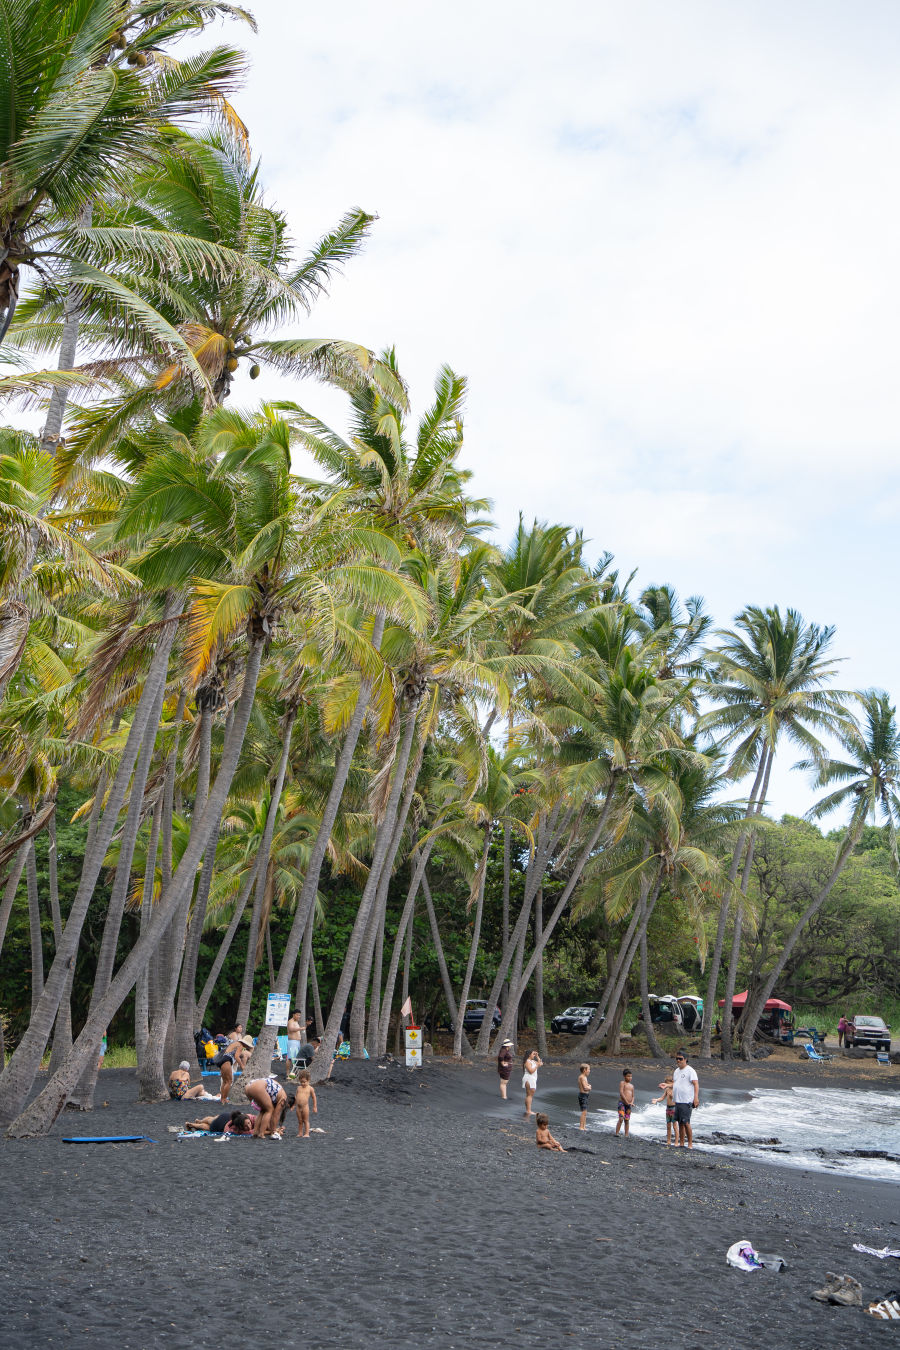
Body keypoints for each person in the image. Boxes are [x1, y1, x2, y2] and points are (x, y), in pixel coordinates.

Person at [672, 1049, 699, 1148]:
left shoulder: (690, 1070)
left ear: (685, 1059)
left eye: (680, 1059)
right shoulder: (676, 1071)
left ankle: (690, 1144)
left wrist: (695, 1098)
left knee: (686, 1122)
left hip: (686, 1100)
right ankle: (682, 1143)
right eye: (677, 1059)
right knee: (680, 1123)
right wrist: (666, 1085)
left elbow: (696, 1084)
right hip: (677, 1100)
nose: (678, 1061)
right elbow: (676, 1083)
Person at [216, 1034, 253, 1104]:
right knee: (229, 1081)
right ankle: (224, 1099)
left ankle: (222, 1098)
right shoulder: (240, 1045)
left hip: (222, 1060)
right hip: (227, 1061)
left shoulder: (235, 1043)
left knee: (224, 1081)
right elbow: (236, 1056)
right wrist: (242, 1065)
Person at [652, 1071, 676, 1146]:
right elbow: (662, 1097)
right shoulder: (667, 1089)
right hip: (668, 1108)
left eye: (667, 1083)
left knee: (675, 1126)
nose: (666, 1085)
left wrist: (672, 1097)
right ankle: (668, 1141)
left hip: (674, 1108)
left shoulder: (675, 1089)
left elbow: (677, 1099)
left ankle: (676, 1142)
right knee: (668, 1125)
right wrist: (656, 1100)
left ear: (672, 1082)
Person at [292, 1070, 318, 1138]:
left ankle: (307, 1133)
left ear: (308, 1080)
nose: (302, 1083)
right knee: (300, 1121)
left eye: (304, 1082)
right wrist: (293, 1105)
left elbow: (314, 1097)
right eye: (301, 1082)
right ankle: (300, 1133)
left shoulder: (310, 1088)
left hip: (305, 1107)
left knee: (305, 1120)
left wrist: (315, 1107)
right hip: (298, 1107)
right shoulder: (298, 1088)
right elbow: (296, 1097)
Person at [184, 1110, 254, 1134]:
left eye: (249, 1123)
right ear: (240, 1126)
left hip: (227, 1116)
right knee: (209, 1128)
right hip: (222, 1124)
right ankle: (193, 1125)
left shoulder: (246, 1117)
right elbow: (251, 1132)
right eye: (246, 1125)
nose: (249, 1127)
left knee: (212, 1119)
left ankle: (200, 1120)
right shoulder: (236, 1129)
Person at [522, 1049, 542, 1119]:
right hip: (529, 1078)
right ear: (529, 1054)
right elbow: (530, 1071)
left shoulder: (532, 1061)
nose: (534, 1055)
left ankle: (528, 1110)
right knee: (530, 1095)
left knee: (529, 1095)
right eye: (533, 1054)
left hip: (532, 1078)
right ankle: (528, 1110)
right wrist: (537, 1066)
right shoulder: (527, 1061)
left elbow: (540, 1063)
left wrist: (537, 1056)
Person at [616, 1068, 634, 1138]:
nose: (630, 1078)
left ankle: (626, 1134)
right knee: (621, 1118)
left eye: (631, 1076)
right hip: (622, 1103)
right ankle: (617, 1133)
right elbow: (621, 1092)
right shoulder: (622, 1083)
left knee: (627, 1120)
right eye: (628, 1076)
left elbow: (633, 1096)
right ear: (624, 1076)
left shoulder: (632, 1086)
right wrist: (626, 1101)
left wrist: (631, 1102)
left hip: (628, 1105)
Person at [577, 1063, 591, 1130]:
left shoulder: (585, 1077)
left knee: (585, 1111)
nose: (589, 1071)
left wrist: (588, 1086)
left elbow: (587, 1085)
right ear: (584, 1070)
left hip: (585, 1095)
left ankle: (584, 1126)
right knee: (584, 1111)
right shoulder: (582, 1077)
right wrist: (589, 1087)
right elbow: (585, 1087)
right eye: (588, 1069)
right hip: (583, 1095)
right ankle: (581, 1126)